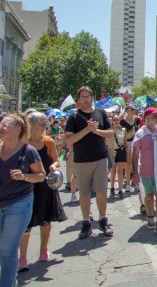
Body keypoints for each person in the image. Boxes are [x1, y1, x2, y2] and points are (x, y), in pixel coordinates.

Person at [0, 113, 46, 286]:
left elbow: (41, 176)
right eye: (1, 124)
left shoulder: (28, 151)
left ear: (18, 128)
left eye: (6, 125)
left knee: (9, 250)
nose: (1, 127)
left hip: (19, 204)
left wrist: (24, 176)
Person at [18, 112, 67, 271]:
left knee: (45, 218)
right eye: (41, 123)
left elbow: (56, 160)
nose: (45, 126)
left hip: (45, 184)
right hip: (26, 185)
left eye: (45, 123)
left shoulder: (48, 141)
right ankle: (22, 258)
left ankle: (43, 250)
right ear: (30, 125)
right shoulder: (22, 142)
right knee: (26, 223)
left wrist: (54, 166)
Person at [64, 86, 114, 239]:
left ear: (92, 97)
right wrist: (87, 129)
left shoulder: (101, 112)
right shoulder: (74, 117)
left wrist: (96, 131)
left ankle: (103, 219)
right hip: (81, 160)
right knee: (84, 193)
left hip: (100, 158)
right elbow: (69, 140)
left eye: (88, 96)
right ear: (79, 99)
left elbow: (111, 133)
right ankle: (86, 223)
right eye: (82, 97)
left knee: (101, 191)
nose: (85, 99)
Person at [132, 107, 157, 236]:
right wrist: (134, 172)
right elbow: (135, 153)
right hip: (146, 170)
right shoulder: (141, 133)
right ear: (146, 118)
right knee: (149, 195)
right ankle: (150, 216)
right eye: (154, 116)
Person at [120, 105, 142, 193]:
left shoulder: (137, 119)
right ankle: (128, 184)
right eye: (132, 109)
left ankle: (137, 183)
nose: (134, 110)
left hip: (136, 142)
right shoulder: (122, 121)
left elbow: (140, 130)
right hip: (127, 143)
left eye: (134, 109)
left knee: (136, 163)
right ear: (127, 111)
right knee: (128, 164)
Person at [109, 115, 127, 199]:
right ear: (112, 121)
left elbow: (125, 142)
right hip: (113, 151)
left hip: (121, 151)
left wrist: (127, 152)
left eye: (117, 119)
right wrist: (112, 150)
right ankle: (112, 187)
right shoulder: (110, 130)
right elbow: (109, 142)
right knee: (113, 170)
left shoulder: (123, 130)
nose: (116, 121)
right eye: (114, 119)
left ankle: (120, 190)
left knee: (120, 171)